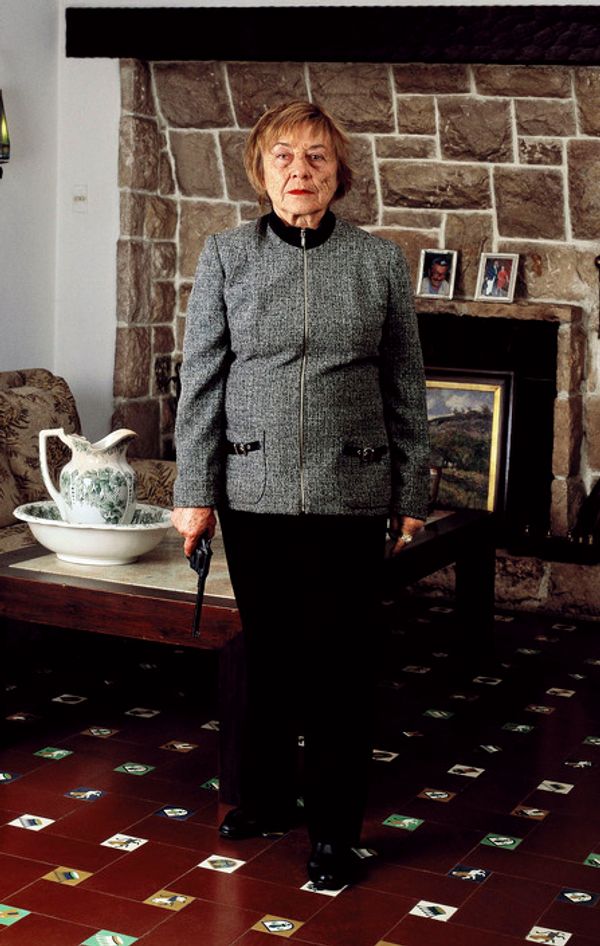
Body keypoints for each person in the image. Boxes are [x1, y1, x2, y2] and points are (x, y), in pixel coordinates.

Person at [171, 100, 430, 890]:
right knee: (272, 656)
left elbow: (406, 382)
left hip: (351, 491)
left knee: (339, 668)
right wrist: (194, 490)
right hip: (253, 490)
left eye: (316, 156)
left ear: (338, 173)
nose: (299, 170)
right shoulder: (227, 255)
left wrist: (412, 488)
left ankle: (334, 834)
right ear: (261, 172)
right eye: (283, 156)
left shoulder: (378, 262)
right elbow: (201, 381)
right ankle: (267, 799)